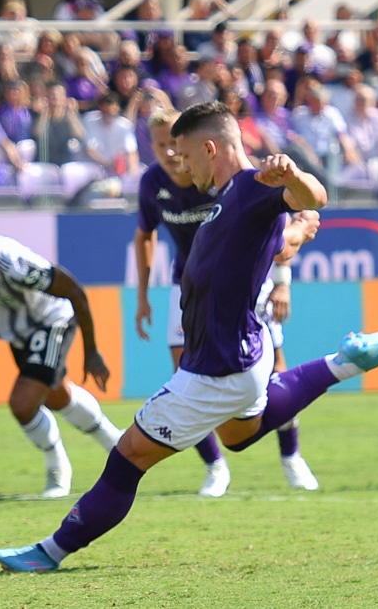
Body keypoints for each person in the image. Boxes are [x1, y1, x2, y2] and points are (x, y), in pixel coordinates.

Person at [0, 101, 378, 572]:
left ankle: (50, 552)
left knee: (128, 456)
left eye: (185, 153)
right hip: (246, 352)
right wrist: (297, 230)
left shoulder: (255, 184)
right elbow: (275, 242)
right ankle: (346, 361)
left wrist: (292, 174)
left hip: (215, 369)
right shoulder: (228, 198)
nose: (180, 163)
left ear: (211, 147)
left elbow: (315, 196)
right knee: (239, 437)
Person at [133, 109, 317, 497]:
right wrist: (144, 296)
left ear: (205, 146)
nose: (170, 154)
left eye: (176, 145)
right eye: (161, 145)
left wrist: (283, 282)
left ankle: (291, 455)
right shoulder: (154, 184)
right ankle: (215, 467)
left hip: (244, 288)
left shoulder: (238, 182)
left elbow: (276, 237)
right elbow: (144, 236)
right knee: (185, 371)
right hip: (189, 289)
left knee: (276, 368)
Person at [0, 203, 124, 499]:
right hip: (17, 333)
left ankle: (57, 468)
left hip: (51, 322)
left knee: (23, 404)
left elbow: (74, 291)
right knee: (57, 395)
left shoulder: (13, 262)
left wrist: (92, 351)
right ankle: (117, 444)